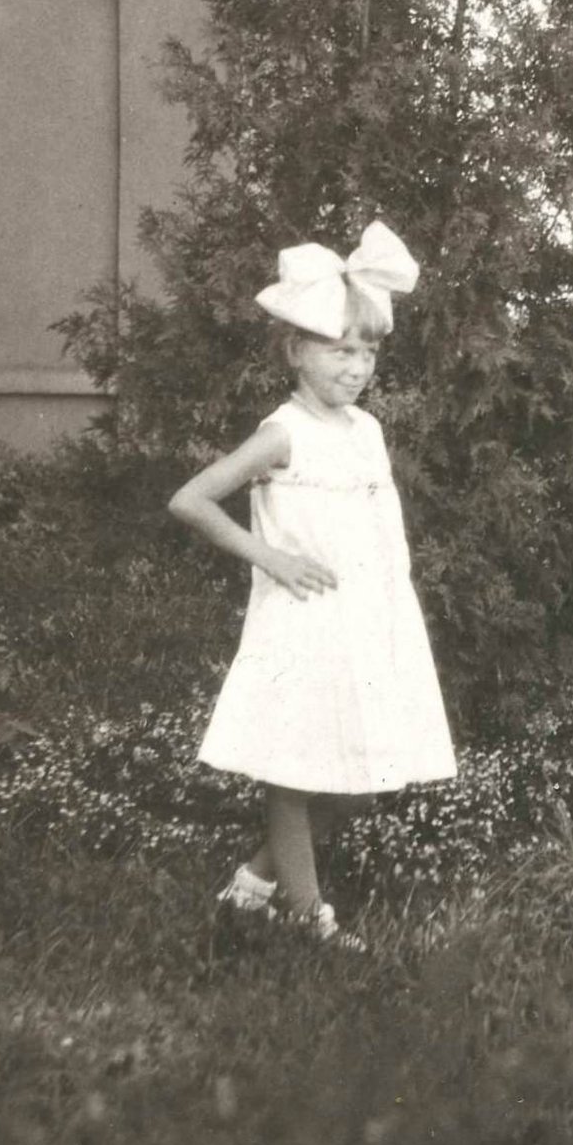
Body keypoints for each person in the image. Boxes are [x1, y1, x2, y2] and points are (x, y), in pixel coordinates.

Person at [168, 221, 456, 944]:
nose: (356, 367)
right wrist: (270, 557)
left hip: (366, 622)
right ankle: (307, 917)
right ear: (296, 351)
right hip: (304, 619)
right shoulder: (284, 433)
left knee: (359, 779)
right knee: (294, 770)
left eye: (368, 351)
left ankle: (253, 884)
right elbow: (192, 499)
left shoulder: (366, 430)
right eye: (339, 349)